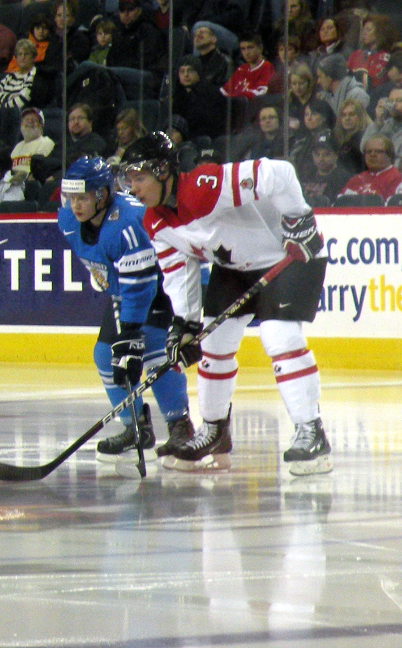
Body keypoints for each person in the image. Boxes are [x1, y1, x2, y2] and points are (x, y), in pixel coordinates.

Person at [120, 131, 333, 476]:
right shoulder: (154, 221)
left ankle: (312, 432)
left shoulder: (204, 185)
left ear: (163, 171)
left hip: (290, 256)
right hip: (234, 269)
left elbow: (280, 173)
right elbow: (178, 273)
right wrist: (185, 324)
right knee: (212, 343)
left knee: (279, 337)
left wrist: (299, 219)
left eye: (139, 178)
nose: (133, 188)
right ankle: (214, 433)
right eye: (129, 180)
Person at [56, 156, 192, 461]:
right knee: (106, 355)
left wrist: (131, 334)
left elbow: (142, 286)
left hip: (162, 287)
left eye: (82, 198)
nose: (75, 205)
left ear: (102, 195)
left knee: (155, 350)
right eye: (71, 198)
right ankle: (136, 428)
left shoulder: (128, 223)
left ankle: (180, 424)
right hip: (126, 290)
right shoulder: (68, 220)